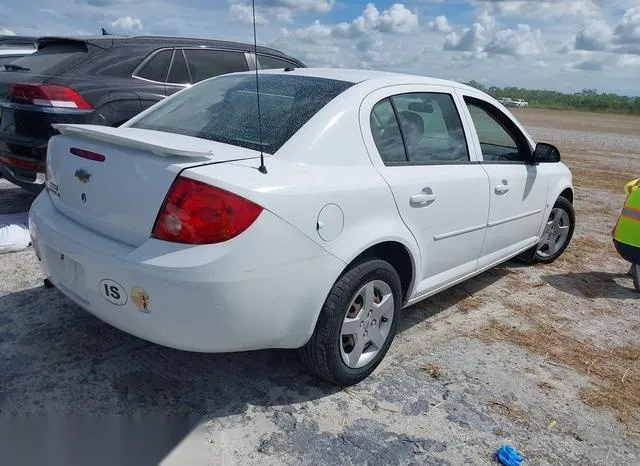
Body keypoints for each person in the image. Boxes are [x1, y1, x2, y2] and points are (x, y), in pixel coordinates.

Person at [613, 178, 640, 291]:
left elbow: (628, 186)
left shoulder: (635, 189)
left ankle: (635, 265)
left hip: (619, 243)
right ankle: (638, 266)